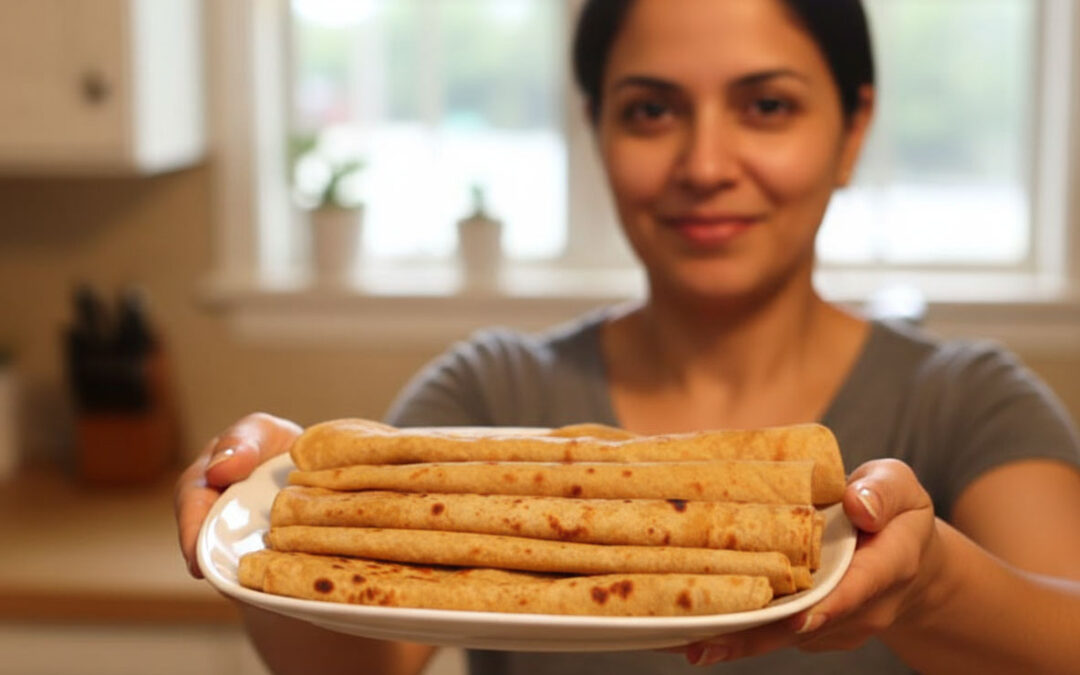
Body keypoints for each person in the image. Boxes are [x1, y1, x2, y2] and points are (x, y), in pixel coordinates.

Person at [175, 0, 1080, 673]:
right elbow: (355, 662)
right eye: (651, 110)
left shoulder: (963, 402)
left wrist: (929, 587)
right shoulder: (494, 395)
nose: (705, 165)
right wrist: (268, 513)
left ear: (853, 131)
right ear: (597, 131)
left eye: (766, 106)